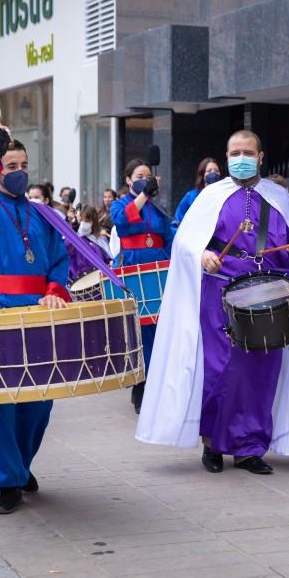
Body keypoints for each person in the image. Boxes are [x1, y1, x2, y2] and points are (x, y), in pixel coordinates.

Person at [135, 130, 289, 474]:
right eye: (235, 153)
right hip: (219, 294)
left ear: (260, 157)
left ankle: (249, 448)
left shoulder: (278, 197)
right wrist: (202, 254)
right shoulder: (211, 196)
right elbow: (185, 242)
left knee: (260, 373)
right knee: (220, 369)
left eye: (247, 152)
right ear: (227, 156)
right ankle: (213, 444)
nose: (241, 159)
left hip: (266, 295)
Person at [0, 128, 71, 514]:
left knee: (39, 399)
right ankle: (6, 482)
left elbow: (59, 260)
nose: (18, 171)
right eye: (10, 165)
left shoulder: (43, 214)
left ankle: (20, 465)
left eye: (23, 165)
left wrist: (55, 290)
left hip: (39, 313)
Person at [111, 159, 173, 413]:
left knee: (159, 326)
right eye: (139, 176)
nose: (145, 180)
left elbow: (168, 236)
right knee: (139, 328)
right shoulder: (120, 204)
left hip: (157, 270)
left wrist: (168, 261)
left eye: (148, 176)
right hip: (133, 271)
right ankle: (140, 384)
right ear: (128, 180)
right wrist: (144, 194)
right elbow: (122, 221)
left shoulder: (156, 208)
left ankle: (158, 383)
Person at [174, 158, 221, 226]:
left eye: (216, 171)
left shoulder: (225, 195)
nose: (213, 173)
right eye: (209, 171)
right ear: (202, 174)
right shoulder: (191, 197)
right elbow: (177, 221)